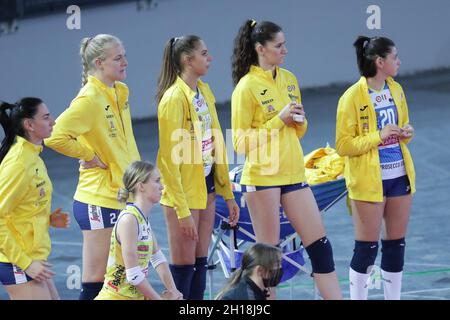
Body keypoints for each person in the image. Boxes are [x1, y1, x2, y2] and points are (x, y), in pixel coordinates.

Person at [231, 19, 342, 299]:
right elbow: (239, 143)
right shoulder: (246, 87)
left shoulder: (289, 79)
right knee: (269, 259)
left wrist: (299, 121)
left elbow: (299, 130)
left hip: (293, 174)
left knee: (320, 246)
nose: (285, 50)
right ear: (260, 49)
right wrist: (278, 121)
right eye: (278, 46)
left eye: (284, 44)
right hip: (263, 178)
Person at [45, 34, 141, 300]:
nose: (125, 62)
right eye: (118, 58)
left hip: (122, 195)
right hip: (98, 200)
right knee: (96, 279)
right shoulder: (88, 99)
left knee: (118, 277)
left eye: (124, 55)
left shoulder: (120, 91)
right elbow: (53, 136)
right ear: (99, 62)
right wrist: (87, 154)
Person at [156, 35, 239, 300]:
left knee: (201, 266)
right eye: (204, 53)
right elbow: (168, 162)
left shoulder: (203, 91)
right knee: (184, 271)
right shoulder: (172, 99)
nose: (210, 58)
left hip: (207, 188)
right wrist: (182, 211)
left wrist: (227, 193)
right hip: (183, 194)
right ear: (187, 60)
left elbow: (216, 145)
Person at [336, 36, 415, 300]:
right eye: (395, 57)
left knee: (395, 246)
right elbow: (344, 145)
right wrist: (378, 136)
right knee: (367, 249)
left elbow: (402, 126)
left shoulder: (396, 90)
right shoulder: (351, 97)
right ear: (380, 62)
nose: (399, 61)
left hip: (398, 176)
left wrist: (406, 132)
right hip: (369, 181)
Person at [0, 98, 70, 299]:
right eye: (46, 117)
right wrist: (26, 264)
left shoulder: (33, 157)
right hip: (18, 261)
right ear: (29, 125)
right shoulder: (19, 164)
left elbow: (19, 208)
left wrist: (45, 219)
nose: (53, 122)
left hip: (33, 257)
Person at [95, 161, 182, 300]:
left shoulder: (142, 218)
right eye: (157, 181)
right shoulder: (129, 220)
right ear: (141, 186)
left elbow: (157, 258)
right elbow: (134, 275)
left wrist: (174, 291)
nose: (162, 187)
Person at [216, 243, 282, 300]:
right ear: (260, 270)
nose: (280, 268)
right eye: (277, 264)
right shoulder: (247, 296)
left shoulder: (251, 288)